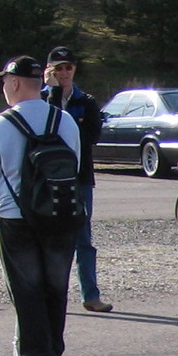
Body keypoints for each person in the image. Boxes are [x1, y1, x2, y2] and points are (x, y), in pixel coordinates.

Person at [0, 54, 81, 356]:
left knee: (26, 292)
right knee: (55, 289)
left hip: (17, 217)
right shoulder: (65, 121)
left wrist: (3, 208)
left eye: (4, 82)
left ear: (13, 83)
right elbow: (76, 167)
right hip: (62, 216)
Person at [42, 46, 109, 313]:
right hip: (48, 179)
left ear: (75, 69)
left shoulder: (87, 101)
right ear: (49, 72)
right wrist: (53, 93)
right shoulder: (41, 99)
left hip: (80, 178)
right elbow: (49, 130)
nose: (64, 72)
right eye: (58, 68)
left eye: (68, 67)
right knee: (50, 238)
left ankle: (90, 295)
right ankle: (49, 295)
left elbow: (89, 137)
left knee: (83, 238)